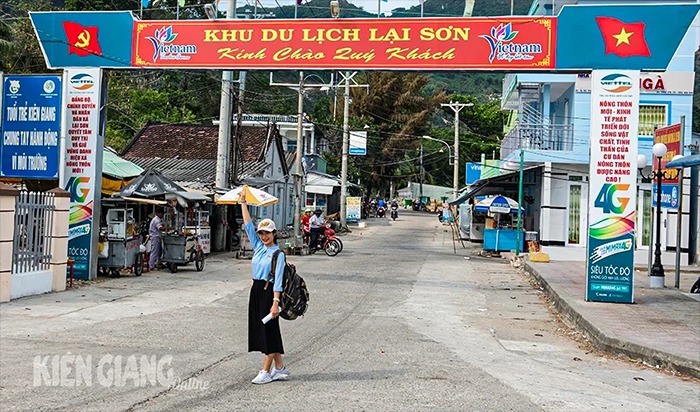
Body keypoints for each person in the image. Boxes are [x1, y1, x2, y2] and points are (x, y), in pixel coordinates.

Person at [239, 191, 288, 384]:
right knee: (266, 329)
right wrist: (243, 203)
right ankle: (280, 368)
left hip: (269, 293)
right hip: (256, 291)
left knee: (268, 330)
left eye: (267, 233)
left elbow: (278, 280)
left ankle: (266, 371)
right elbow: (248, 225)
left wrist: (275, 303)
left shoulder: (278, 254)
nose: (263, 236)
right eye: (261, 233)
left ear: (274, 233)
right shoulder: (259, 247)